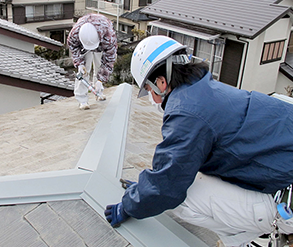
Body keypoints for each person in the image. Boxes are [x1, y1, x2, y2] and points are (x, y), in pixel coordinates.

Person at [104, 35, 293, 247]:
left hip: (285, 199)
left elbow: (168, 185)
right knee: (194, 173)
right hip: (283, 175)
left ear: (161, 82)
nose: (152, 98)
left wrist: (130, 204)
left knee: (183, 198)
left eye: (148, 90)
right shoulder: (205, 89)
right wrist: (145, 189)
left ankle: (248, 237)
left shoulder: (186, 111)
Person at [67, 13, 117, 110]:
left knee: (99, 66)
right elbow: (73, 48)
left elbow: (109, 61)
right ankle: (82, 100)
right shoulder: (75, 33)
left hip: (101, 44)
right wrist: (79, 64)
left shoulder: (108, 36)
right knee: (84, 70)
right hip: (83, 47)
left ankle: (99, 91)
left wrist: (100, 80)